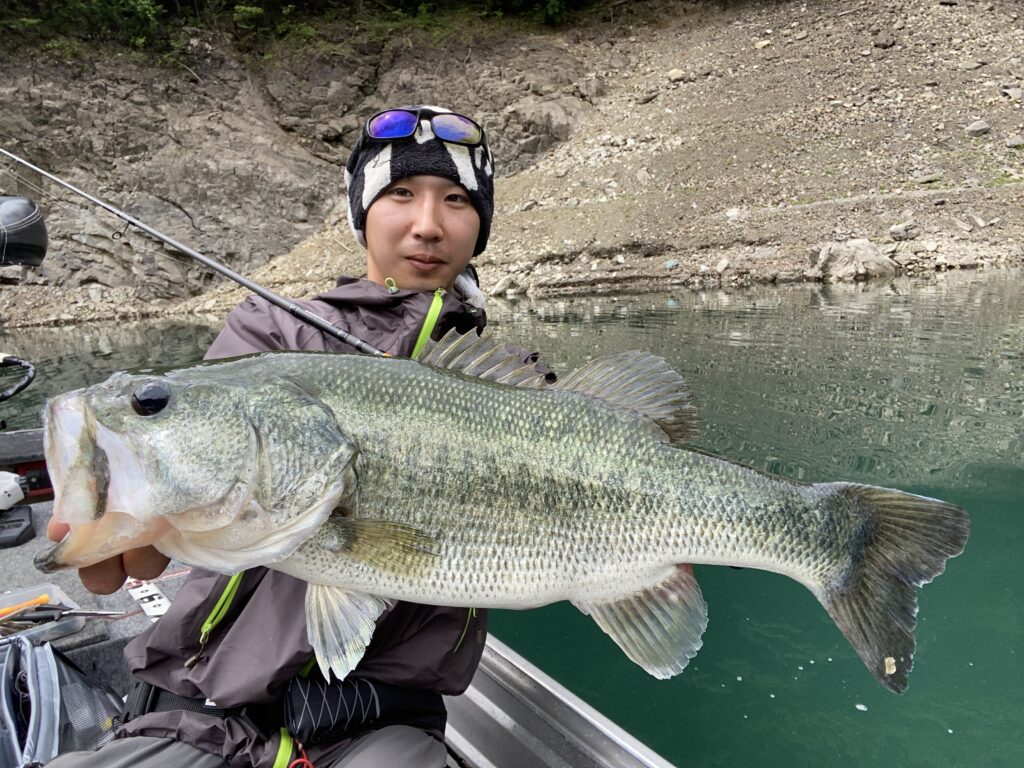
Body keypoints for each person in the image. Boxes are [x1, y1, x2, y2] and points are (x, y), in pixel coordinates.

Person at [46, 105, 553, 768]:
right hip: (205, 707)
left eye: (456, 200)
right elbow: (208, 488)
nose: (427, 224)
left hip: (388, 722)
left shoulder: (522, 390)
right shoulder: (271, 335)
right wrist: (148, 522)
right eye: (400, 193)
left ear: (479, 226)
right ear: (362, 214)